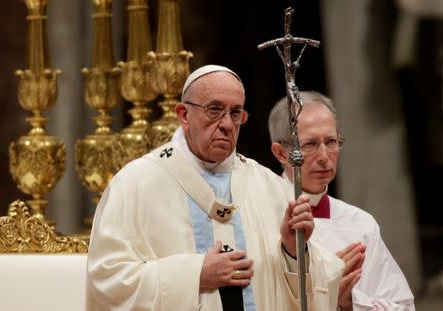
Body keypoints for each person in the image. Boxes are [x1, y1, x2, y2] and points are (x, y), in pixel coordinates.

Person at [87, 65, 345, 311]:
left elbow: (317, 285)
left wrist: (292, 251)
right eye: (214, 110)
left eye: (235, 113)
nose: (226, 124)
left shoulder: (270, 188)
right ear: (183, 114)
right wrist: (196, 274)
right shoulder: (135, 184)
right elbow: (107, 281)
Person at [268, 91, 415, 310]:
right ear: (281, 153)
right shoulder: (259, 212)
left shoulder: (361, 224)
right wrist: (323, 288)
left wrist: (351, 303)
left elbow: (403, 307)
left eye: (331, 141)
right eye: (310, 144)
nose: (325, 156)